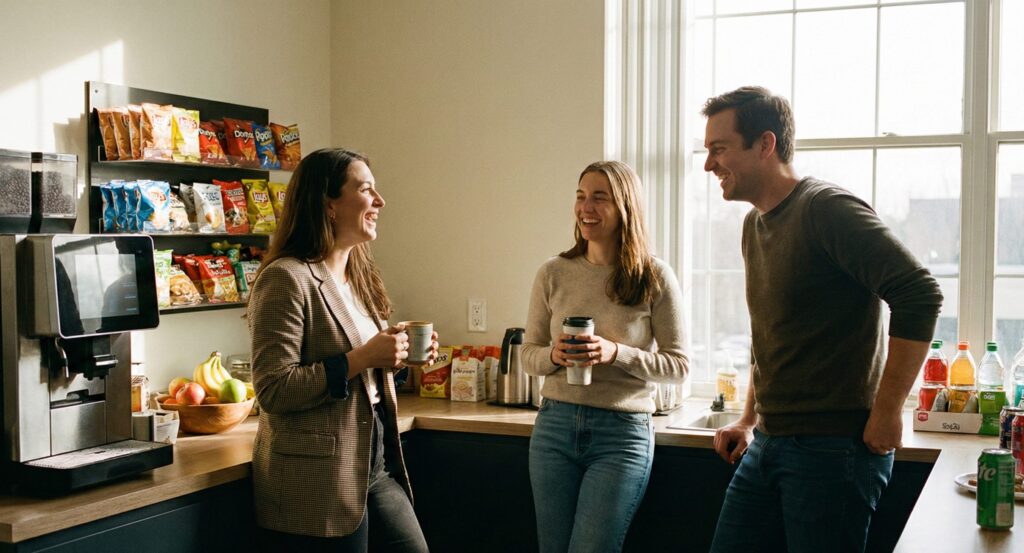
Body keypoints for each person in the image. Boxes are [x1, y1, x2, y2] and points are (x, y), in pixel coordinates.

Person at [702, 87, 943, 553]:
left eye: (719, 149)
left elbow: (919, 293)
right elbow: (770, 336)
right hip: (769, 443)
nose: (709, 165)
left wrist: (889, 409)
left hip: (834, 451)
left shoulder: (825, 209)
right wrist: (750, 418)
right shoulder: (755, 224)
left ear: (765, 144)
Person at [247, 148, 437, 553]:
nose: (380, 201)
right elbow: (274, 389)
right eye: (366, 190)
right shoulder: (286, 279)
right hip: (316, 479)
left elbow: (363, 369)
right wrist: (364, 357)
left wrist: (395, 353)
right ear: (329, 204)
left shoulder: (359, 275)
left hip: (372, 462)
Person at [521, 161, 689, 553]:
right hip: (555, 428)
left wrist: (616, 353)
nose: (585, 207)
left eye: (600, 197)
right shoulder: (553, 273)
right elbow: (529, 354)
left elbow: (678, 366)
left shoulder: (654, 276)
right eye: (580, 196)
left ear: (625, 207)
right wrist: (554, 356)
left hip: (622, 435)